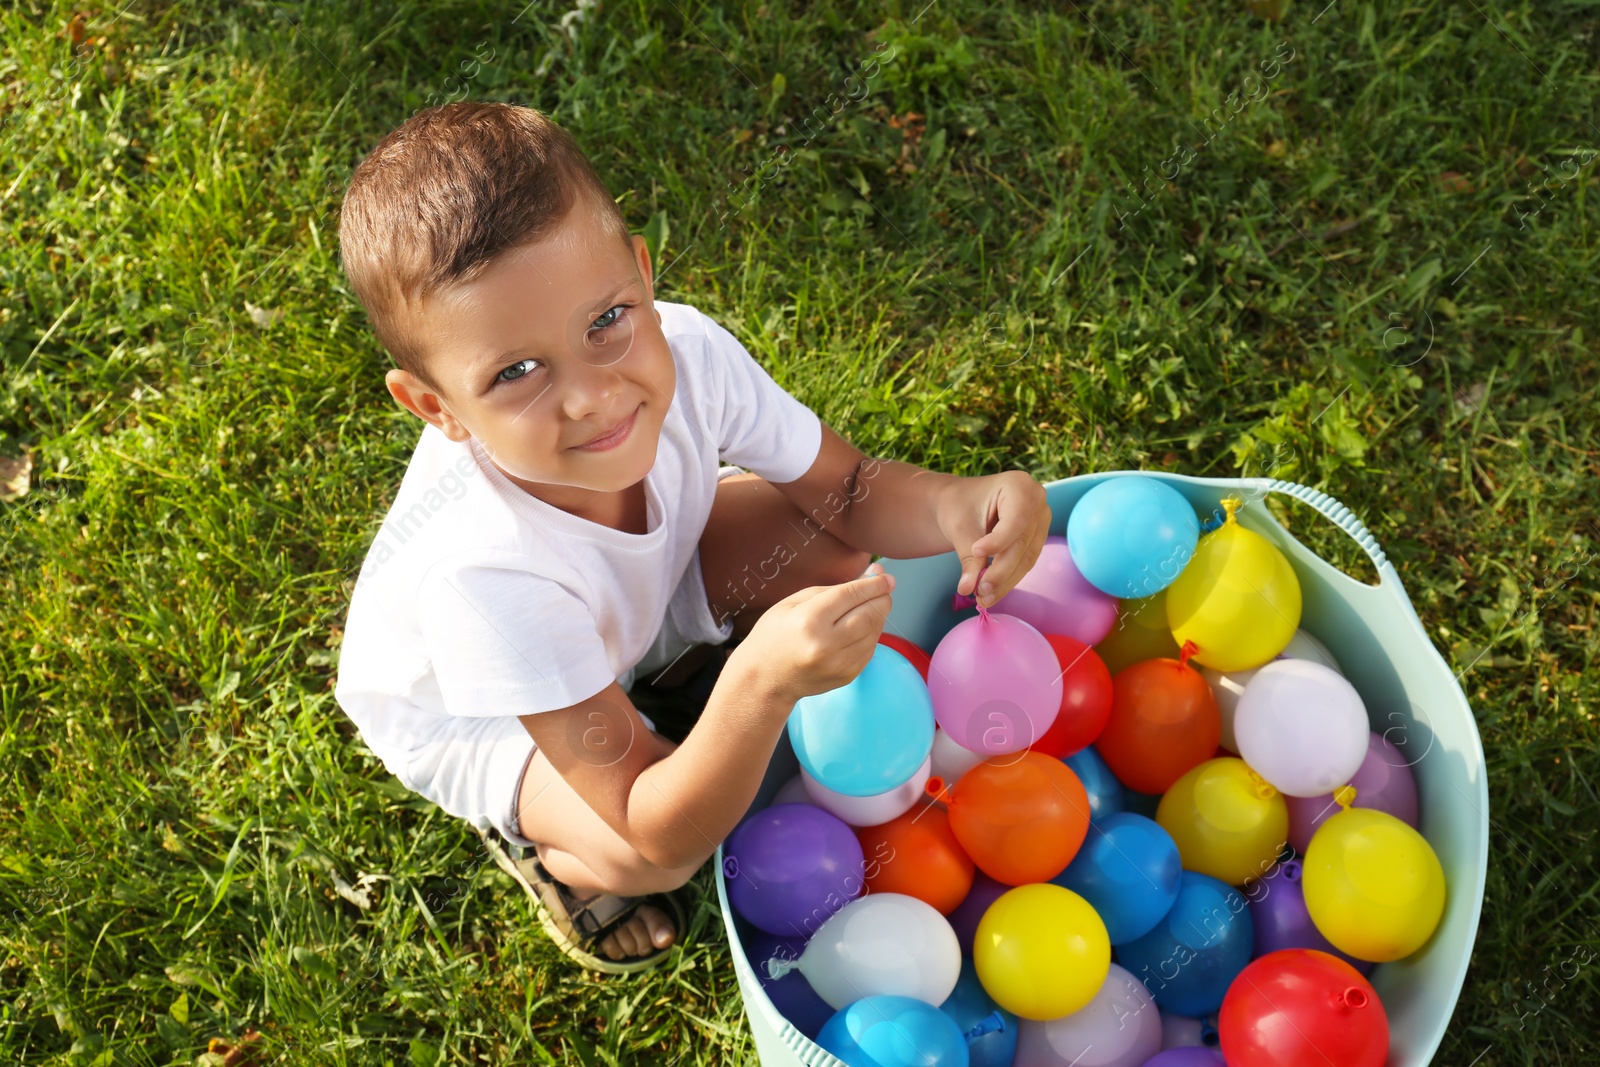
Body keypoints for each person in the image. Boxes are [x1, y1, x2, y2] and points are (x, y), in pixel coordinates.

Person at [331, 101, 1052, 972]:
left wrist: (957, 503)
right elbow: (647, 814)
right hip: (483, 711)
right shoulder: (481, 576)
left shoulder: (691, 353)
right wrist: (759, 681)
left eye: (606, 321)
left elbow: (850, 490)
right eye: (516, 372)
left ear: (641, 274)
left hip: (631, 591)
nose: (592, 394)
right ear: (436, 406)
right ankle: (554, 852)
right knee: (648, 853)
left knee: (826, 545)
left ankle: (663, 674)